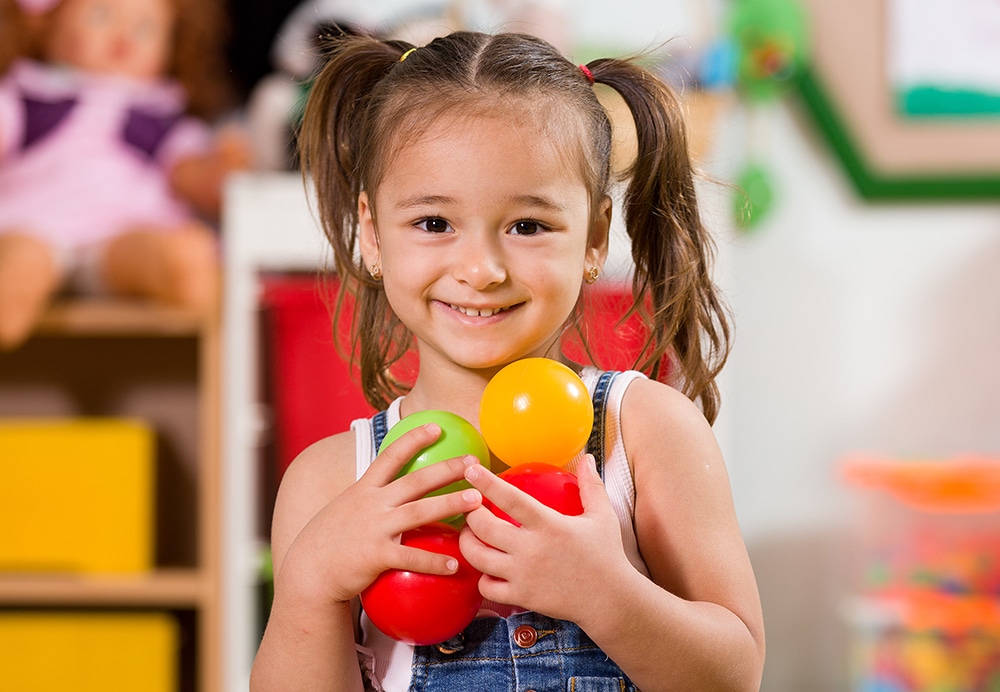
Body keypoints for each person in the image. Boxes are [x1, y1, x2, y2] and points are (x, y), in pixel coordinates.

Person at [250, 30, 765, 692]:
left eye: (527, 226)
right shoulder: (329, 482)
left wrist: (609, 596)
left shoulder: (643, 435)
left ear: (594, 237)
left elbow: (736, 675)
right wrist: (309, 587)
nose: (482, 269)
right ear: (373, 235)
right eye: (434, 223)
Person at [0, 0, 250, 349]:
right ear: (46, 24)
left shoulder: (160, 117)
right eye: (101, 15)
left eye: (145, 28)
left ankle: (177, 269)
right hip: (37, 228)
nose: (124, 37)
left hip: (123, 240)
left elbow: (189, 174)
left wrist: (217, 171)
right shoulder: (28, 96)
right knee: (20, 263)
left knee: (175, 252)